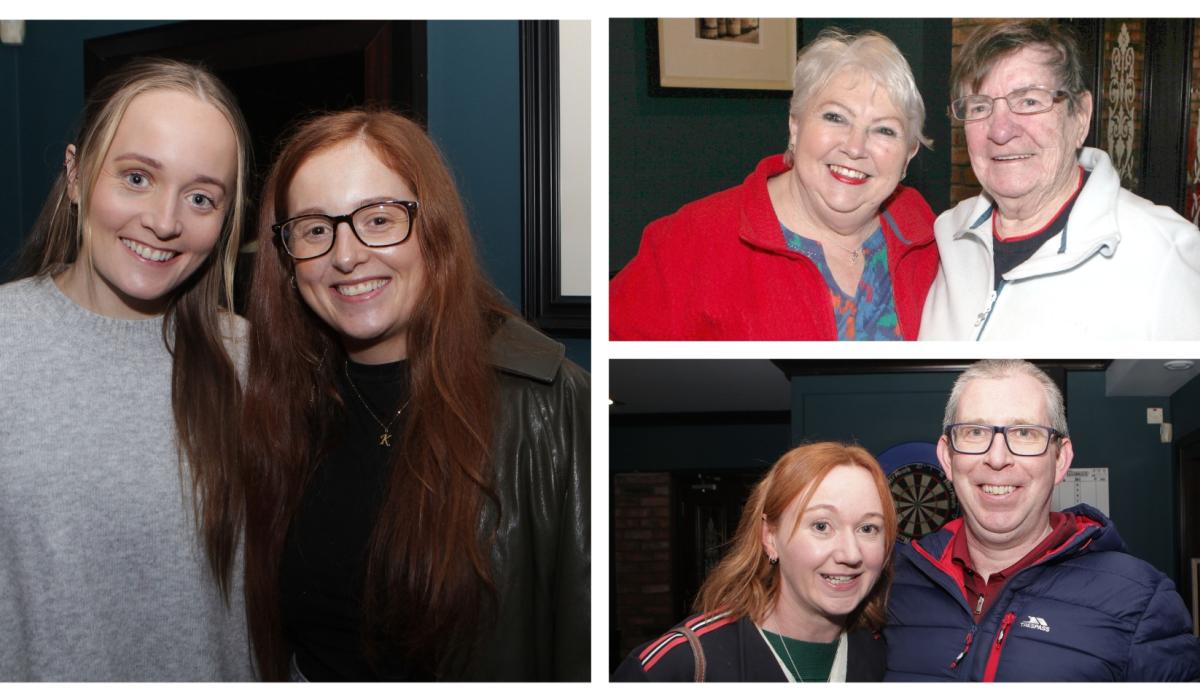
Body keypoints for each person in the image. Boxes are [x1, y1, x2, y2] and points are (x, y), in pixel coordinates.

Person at [240, 109, 590, 681]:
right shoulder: (280, 406)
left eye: (378, 219)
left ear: (434, 229)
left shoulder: (550, 407)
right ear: (286, 257)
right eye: (313, 228)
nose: (345, 255)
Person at [0, 58, 253, 680]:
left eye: (200, 197)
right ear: (76, 173)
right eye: (137, 177)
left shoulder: (254, 361)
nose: (165, 222)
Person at [610, 29, 938, 340]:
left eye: (884, 130)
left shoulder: (930, 234)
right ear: (795, 126)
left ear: (908, 154)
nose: (854, 147)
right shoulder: (689, 241)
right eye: (835, 117)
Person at [885, 360, 1200, 680]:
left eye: (1024, 433)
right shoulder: (891, 584)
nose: (997, 458)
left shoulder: (1141, 599)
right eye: (975, 432)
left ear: (1060, 459)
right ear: (947, 458)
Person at [919, 20, 1200, 340]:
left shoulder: (1163, 254)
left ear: (1080, 116)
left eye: (1029, 101)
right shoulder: (948, 236)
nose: (999, 131)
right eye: (980, 106)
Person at [613, 442, 896, 681]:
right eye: (821, 526)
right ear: (770, 537)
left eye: (868, 528)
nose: (850, 554)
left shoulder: (883, 657)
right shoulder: (679, 665)